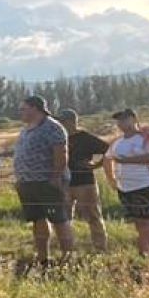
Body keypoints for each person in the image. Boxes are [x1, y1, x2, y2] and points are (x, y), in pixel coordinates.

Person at [12, 95, 73, 265]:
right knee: (37, 219)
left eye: (23, 109)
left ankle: (67, 258)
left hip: (47, 182)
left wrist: (55, 177)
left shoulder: (52, 127)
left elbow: (61, 154)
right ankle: (43, 257)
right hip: (27, 183)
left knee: (59, 220)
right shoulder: (26, 129)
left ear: (35, 108)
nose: (21, 112)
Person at [105, 108, 149, 257]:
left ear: (134, 120)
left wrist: (128, 160)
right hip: (125, 187)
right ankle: (144, 251)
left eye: (125, 119)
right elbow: (108, 159)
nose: (121, 123)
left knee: (147, 220)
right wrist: (111, 178)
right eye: (119, 120)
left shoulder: (146, 137)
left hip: (146, 184)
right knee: (138, 221)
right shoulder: (117, 142)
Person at [59, 108, 110, 251]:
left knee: (93, 216)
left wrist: (96, 165)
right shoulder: (59, 138)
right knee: (64, 218)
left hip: (85, 182)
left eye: (62, 121)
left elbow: (109, 149)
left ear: (71, 122)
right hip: (64, 183)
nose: (60, 124)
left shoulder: (85, 138)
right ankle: (67, 248)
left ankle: (100, 247)